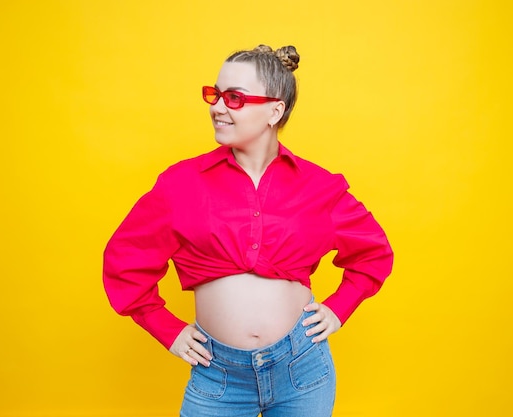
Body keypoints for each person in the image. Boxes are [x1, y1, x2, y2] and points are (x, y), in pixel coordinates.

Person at [103, 44, 393, 417]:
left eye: (235, 98)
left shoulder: (320, 186)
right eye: (215, 94)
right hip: (217, 374)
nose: (217, 107)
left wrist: (339, 308)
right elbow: (126, 259)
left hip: (302, 370)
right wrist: (165, 327)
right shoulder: (180, 184)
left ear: (275, 110)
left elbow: (373, 253)